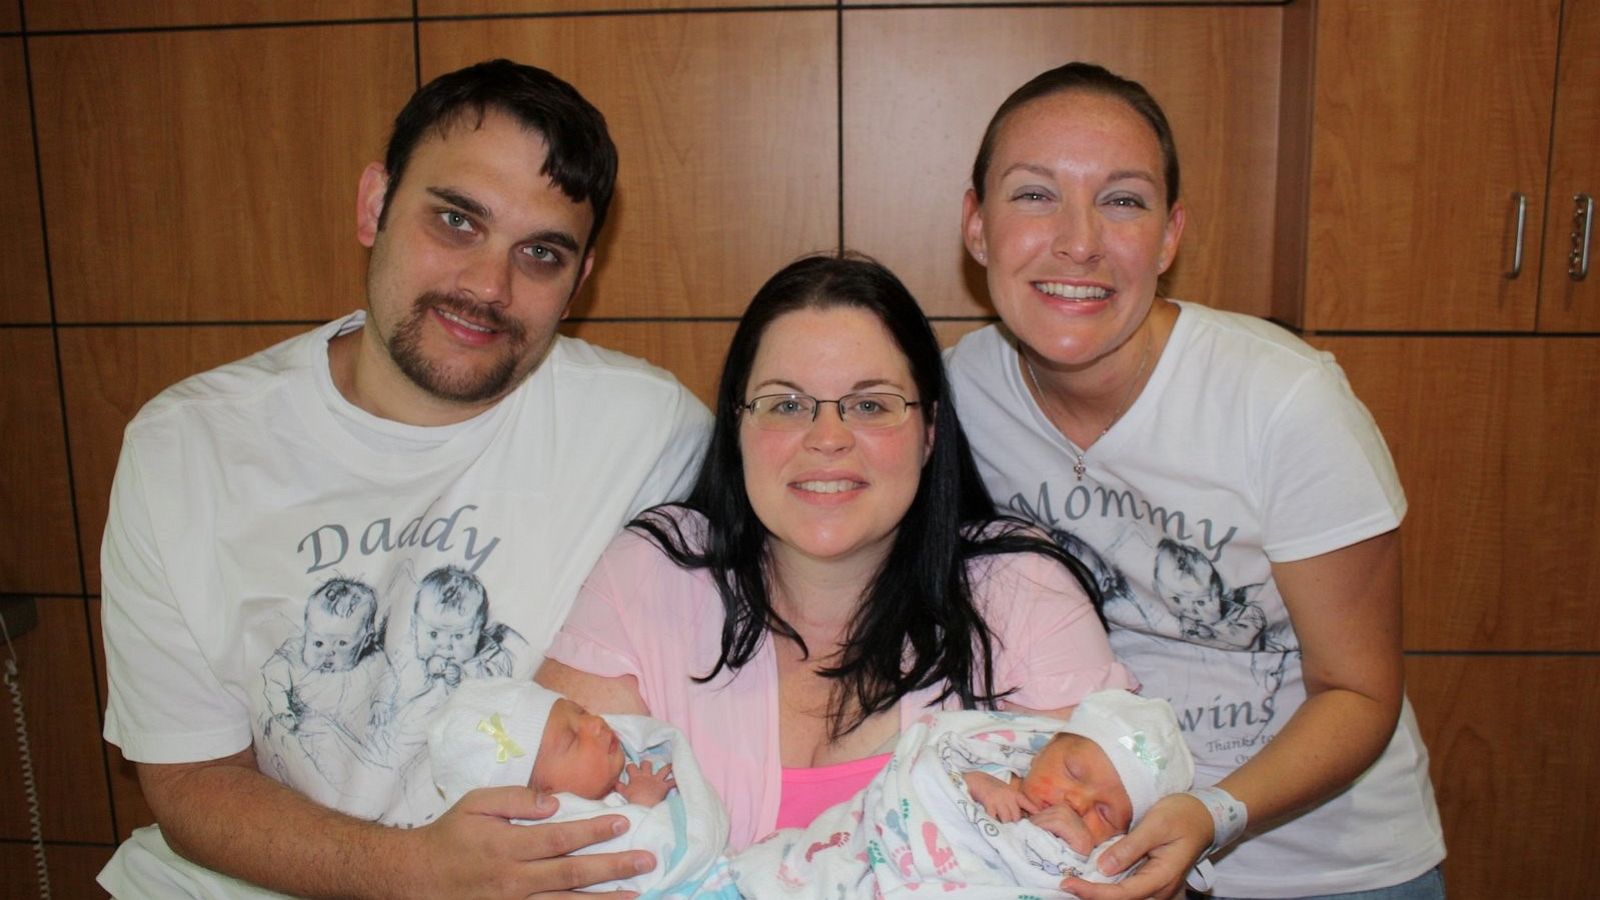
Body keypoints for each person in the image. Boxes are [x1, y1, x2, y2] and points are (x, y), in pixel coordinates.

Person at [97, 59, 711, 898]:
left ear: (580, 280)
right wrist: (416, 870)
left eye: (539, 254)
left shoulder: (649, 433)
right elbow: (190, 783)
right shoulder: (188, 449)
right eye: (456, 221)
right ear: (374, 205)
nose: (488, 287)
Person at [946, 62, 1445, 899]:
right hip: (1080, 856)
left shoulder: (1282, 398)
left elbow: (1359, 690)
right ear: (976, 225)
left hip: (1326, 866)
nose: (1079, 240)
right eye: (1035, 195)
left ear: (1171, 236)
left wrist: (1216, 812)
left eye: (1123, 200)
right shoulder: (959, 394)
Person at [537, 253, 1137, 851]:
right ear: (737, 427)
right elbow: (554, 846)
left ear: (929, 430)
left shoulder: (1022, 592)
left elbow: (1105, 862)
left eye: (871, 404)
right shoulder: (651, 571)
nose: (828, 439)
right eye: (787, 405)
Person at [730, 688, 1195, 897]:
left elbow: (1094, 883)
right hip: (887, 865)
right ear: (1046, 745)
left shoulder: (1094, 849)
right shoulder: (987, 762)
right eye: (1074, 771)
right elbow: (920, 773)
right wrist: (976, 784)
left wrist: (1074, 851)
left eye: (1105, 813)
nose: (1077, 801)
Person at [427, 679, 740, 897]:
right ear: (539, 801)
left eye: (582, 712)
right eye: (572, 739)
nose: (596, 724)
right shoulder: (554, 844)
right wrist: (642, 808)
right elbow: (639, 853)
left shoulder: (630, 773)